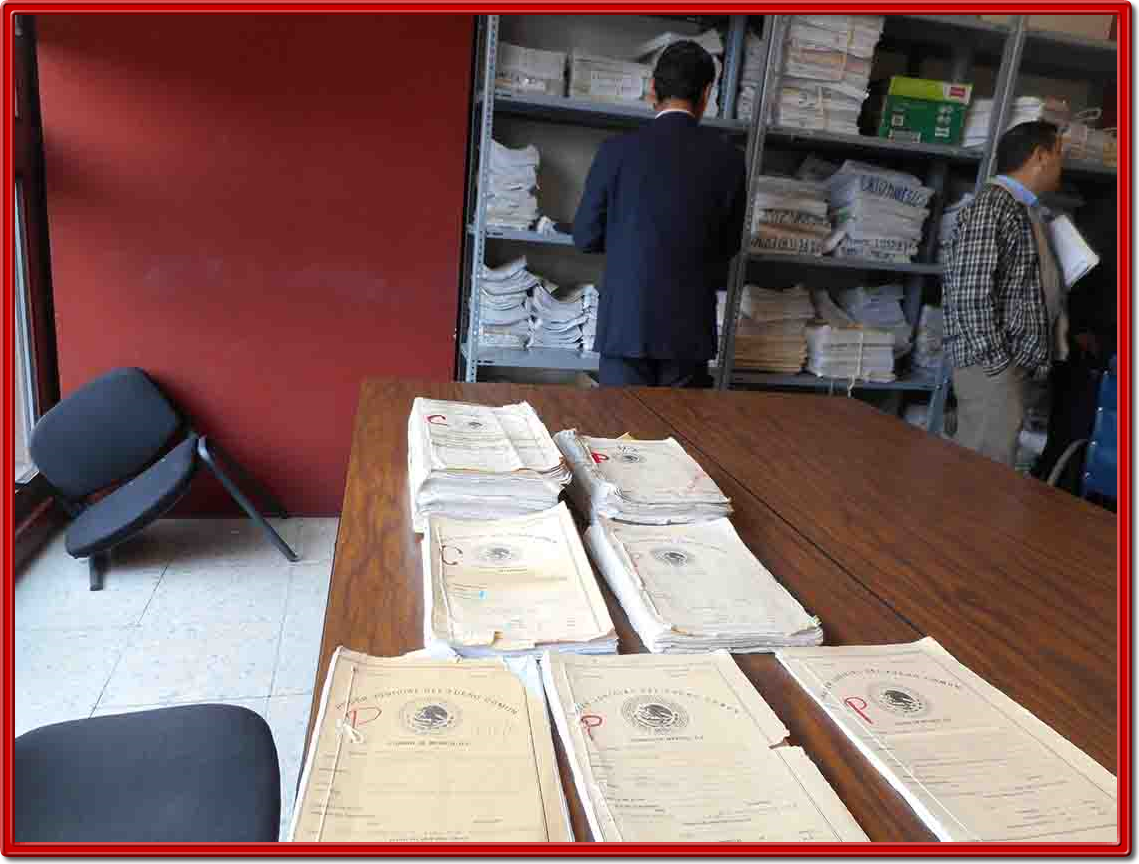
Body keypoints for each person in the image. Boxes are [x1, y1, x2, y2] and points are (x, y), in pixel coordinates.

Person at [572, 40, 747, 387]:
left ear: (653, 88)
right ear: (707, 93)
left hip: (626, 325)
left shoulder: (615, 152)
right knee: (680, 424)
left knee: (621, 422)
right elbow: (728, 246)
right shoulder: (729, 159)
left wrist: (628, 240)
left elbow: (585, 237)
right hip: (688, 333)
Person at [943, 121, 1067, 466]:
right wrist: (1000, 367)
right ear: (1040, 156)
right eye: (1059, 154)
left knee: (991, 471)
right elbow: (971, 295)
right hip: (993, 371)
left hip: (1006, 368)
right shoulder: (993, 207)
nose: (1062, 164)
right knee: (981, 472)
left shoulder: (1021, 208)